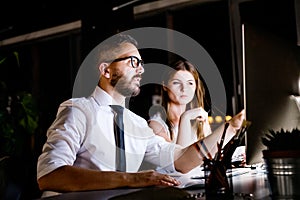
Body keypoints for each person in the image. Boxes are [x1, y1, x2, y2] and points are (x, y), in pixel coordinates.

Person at [36, 33, 245, 196]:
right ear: (106, 70)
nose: (142, 70)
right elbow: (50, 175)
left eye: (142, 63)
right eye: (133, 62)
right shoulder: (79, 110)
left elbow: (181, 160)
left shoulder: (136, 124)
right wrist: (133, 179)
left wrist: (233, 127)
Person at [148, 59, 212, 147]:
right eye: (177, 83)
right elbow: (179, 158)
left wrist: (206, 128)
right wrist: (185, 118)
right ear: (165, 86)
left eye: (190, 83)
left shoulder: (198, 120)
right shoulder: (156, 125)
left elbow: (211, 155)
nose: (184, 89)